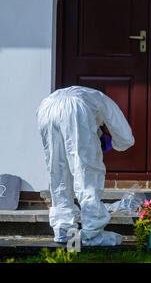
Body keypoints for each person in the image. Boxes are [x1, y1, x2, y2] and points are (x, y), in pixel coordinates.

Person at [36, 86, 135, 246]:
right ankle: (92, 234)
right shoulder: (101, 99)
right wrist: (118, 143)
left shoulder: (90, 96)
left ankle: (65, 231)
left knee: (58, 173)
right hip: (75, 109)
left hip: (45, 108)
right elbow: (124, 135)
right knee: (87, 173)